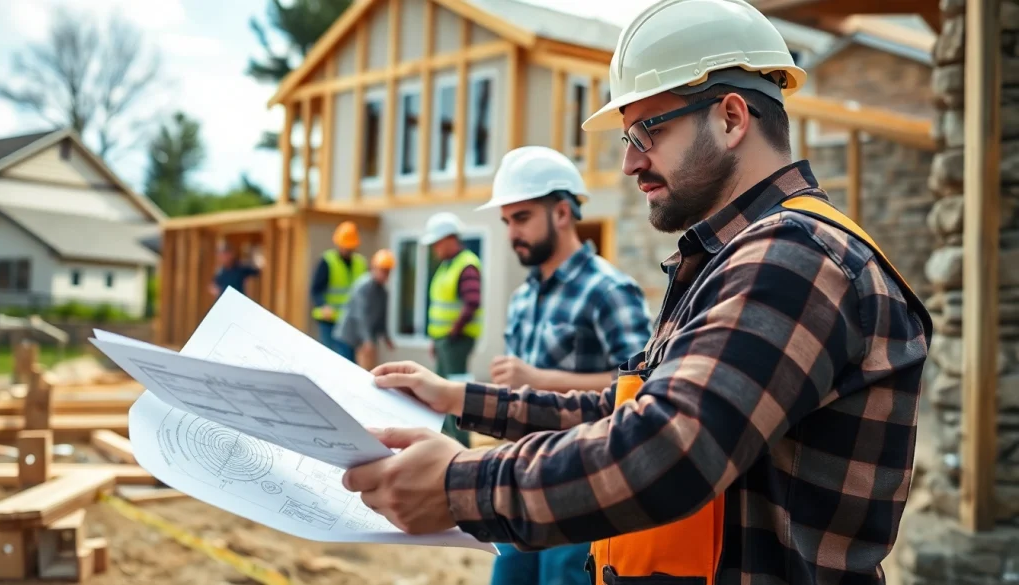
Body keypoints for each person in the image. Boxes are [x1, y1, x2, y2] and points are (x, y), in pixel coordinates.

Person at [342, 1, 933, 584]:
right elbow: (627, 409)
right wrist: (460, 399)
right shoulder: (737, 258)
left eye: (648, 129)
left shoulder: (796, 257)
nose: (629, 162)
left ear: (731, 118)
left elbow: (670, 447)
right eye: (628, 136)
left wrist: (461, 486)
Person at [477, 145, 654, 585]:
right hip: (520, 483)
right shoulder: (522, 299)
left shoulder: (610, 290)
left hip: (580, 486)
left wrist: (538, 380)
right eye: (507, 222)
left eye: (521, 218)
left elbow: (642, 388)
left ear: (560, 212)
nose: (511, 233)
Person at [421, 211, 481, 447]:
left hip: (456, 340)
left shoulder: (466, 265)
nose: (435, 248)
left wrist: (453, 332)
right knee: (441, 389)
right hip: (444, 340)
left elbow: (472, 302)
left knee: (455, 390)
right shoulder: (448, 266)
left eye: (437, 243)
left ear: (449, 239)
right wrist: (436, 340)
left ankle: (462, 443)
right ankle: (447, 439)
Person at [310, 221, 368, 360]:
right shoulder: (328, 261)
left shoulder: (360, 263)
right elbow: (316, 289)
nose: (347, 250)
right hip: (329, 321)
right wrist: (323, 305)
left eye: (350, 247)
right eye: (345, 246)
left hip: (349, 321)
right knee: (330, 358)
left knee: (348, 359)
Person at [333, 249, 397, 369]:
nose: (385, 275)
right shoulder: (363, 286)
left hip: (361, 338)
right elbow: (360, 316)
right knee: (346, 369)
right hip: (348, 335)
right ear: (374, 268)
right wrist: (367, 339)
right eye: (383, 270)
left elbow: (381, 317)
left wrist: (386, 337)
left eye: (387, 271)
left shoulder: (383, 292)